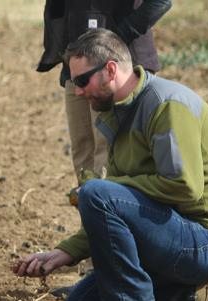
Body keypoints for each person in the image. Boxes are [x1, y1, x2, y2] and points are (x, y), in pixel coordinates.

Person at [14, 28, 208, 301]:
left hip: (206, 242)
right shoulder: (118, 115)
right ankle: (197, 299)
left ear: (110, 70)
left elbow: (184, 187)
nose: (78, 92)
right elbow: (123, 208)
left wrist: (108, 186)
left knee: (97, 192)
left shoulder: (166, 105)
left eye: (82, 81)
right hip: (169, 233)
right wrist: (64, 252)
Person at [37, 0, 171, 181]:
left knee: (108, 148)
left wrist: (119, 36)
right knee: (82, 149)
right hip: (76, 63)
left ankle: (109, 205)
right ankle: (89, 203)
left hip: (121, 62)